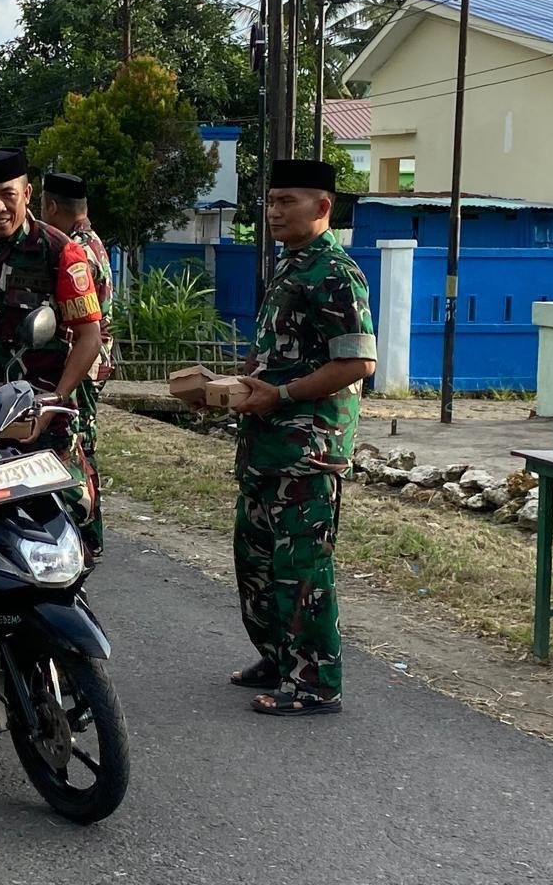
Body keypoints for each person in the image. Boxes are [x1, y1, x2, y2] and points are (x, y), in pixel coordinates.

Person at [228, 159, 376, 717]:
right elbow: (277, 354)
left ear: (323, 207)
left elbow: (358, 362)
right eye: (271, 201)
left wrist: (282, 395)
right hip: (267, 445)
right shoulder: (291, 266)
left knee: (302, 570)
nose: (274, 211)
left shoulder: (335, 273)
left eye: (287, 201)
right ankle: (278, 658)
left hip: (307, 452)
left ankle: (315, 683)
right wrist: (231, 388)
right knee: (256, 559)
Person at [0, 148, 104, 559]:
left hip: (43, 422)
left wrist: (54, 399)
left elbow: (89, 338)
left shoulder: (60, 252)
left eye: (7, 194)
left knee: (66, 539)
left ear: (27, 194)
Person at [39, 171, 114, 557]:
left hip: (80, 361)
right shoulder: (95, 242)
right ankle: (89, 535)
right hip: (94, 361)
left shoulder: (74, 249)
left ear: (51, 206)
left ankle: (85, 536)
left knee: (75, 447)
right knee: (84, 443)